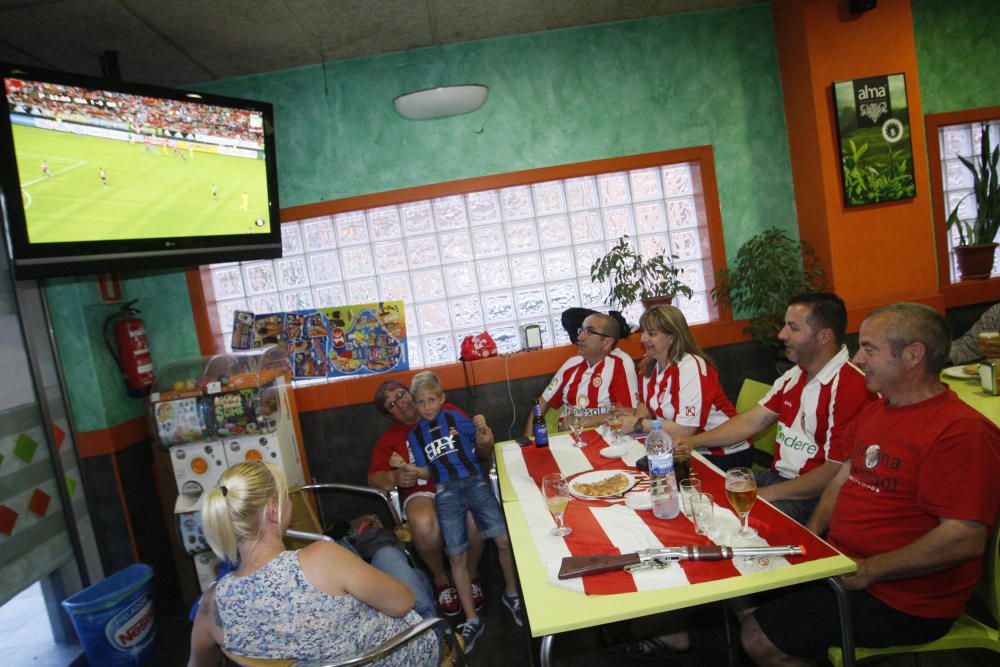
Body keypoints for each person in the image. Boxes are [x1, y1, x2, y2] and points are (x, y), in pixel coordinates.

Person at [742, 303, 1000, 665]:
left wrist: (869, 571)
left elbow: (963, 538)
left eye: (869, 349)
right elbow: (844, 477)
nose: (858, 359)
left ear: (913, 355)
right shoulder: (878, 410)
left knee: (758, 637)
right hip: (846, 569)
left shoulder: (962, 433)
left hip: (905, 599)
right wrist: (814, 539)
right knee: (745, 595)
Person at [188, 461, 438, 666]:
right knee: (390, 559)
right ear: (274, 512)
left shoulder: (212, 604)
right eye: (286, 496)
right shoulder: (321, 557)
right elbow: (403, 603)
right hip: (402, 653)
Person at [676, 293, 875, 525]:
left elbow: (834, 472)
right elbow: (751, 421)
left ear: (824, 336)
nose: (782, 335)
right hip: (776, 478)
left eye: (793, 328)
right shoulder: (794, 375)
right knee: (700, 499)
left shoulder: (851, 386)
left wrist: (764, 495)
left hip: (812, 496)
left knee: (732, 520)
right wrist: (695, 441)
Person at [403, 371, 522, 654]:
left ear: (442, 398)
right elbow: (425, 472)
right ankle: (471, 618)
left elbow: (484, 446)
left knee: (503, 539)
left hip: (476, 482)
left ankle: (512, 593)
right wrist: (407, 470)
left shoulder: (456, 418)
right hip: (446, 492)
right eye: (421, 402)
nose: (427, 406)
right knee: (455, 554)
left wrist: (483, 431)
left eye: (432, 399)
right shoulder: (415, 434)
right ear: (415, 405)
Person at [369, 379, 485, 617]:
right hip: (422, 491)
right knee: (423, 522)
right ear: (389, 415)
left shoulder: (449, 413)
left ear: (411, 393)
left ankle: (472, 575)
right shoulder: (389, 439)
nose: (400, 404)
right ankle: (441, 579)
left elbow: (479, 444)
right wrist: (395, 477)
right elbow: (373, 478)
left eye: (400, 395)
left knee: (474, 518)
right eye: (392, 404)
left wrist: (484, 438)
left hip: (458, 482)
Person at [620, 304, 753, 471]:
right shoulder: (650, 365)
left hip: (721, 454)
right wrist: (632, 420)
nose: (642, 339)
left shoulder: (690, 367)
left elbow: (685, 430)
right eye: (643, 332)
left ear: (672, 337)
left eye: (651, 334)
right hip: (679, 447)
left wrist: (638, 424)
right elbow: (645, 406)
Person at [525, 311, 638, 437]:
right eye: (581, 330)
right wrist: (528, 441)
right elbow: (542, 403)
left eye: (589, 332)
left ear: (607, 342)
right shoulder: (571, 364)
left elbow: (629, 413)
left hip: (606, 440)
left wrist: (581, 420)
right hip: (567, 440)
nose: (579, 337)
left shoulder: (621, 364)